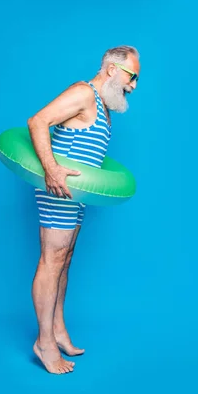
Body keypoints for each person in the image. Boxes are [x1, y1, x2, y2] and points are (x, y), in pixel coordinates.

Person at [26, 45, 140, 374]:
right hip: (58, 192)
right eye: (132, 77)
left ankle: (58, 330)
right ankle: (44, 342)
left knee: (65, 258)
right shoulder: (83, 94)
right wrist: (51, 169)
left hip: (76, 196)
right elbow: (38, 121)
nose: (133, 86)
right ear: (111, 69)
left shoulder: (102, 106)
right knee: (52, 260)